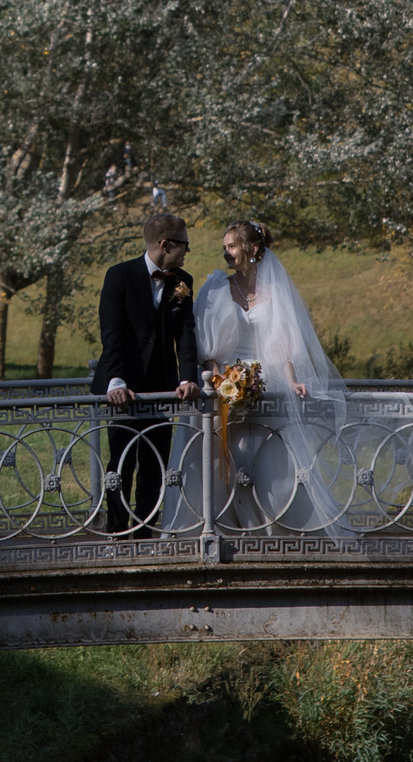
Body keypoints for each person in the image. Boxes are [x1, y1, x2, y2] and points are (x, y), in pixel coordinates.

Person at [183, 220, 353, 539]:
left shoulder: (275, 291)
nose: (226, 253)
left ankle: (275, 525)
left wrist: (291, 381)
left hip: (266, 381)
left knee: (269, 455)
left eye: (232, 246)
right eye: (224, 247)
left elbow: (283, 344)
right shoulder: (216, 287)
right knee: (230, 453)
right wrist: (220, 382)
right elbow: (208, 348)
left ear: (252, 249)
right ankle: (227, 525)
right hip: (225, 382)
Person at [90, 211, 200, 536]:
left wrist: (188, 378)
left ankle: (144, 532)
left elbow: (187, 333)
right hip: (123, 387)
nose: (188, 250)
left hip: (162, 386)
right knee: (120, 463)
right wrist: (116, 382)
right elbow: (111, 333)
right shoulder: (119, 276)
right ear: (165, 244)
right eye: (184, 244)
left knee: (155, 463)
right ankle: (117, 532)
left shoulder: (183, 281)